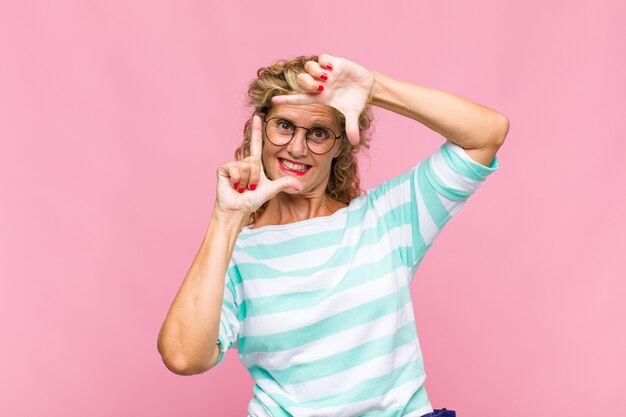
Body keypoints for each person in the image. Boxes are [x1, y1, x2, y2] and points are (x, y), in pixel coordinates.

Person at [157, 52, 509, 417]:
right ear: (259, 128)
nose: (296, 147)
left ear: (342, 143)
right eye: (284, 126)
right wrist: (227, 218)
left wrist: (374, 87)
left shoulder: (387, 218)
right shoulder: (234, 254)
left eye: (319, 133)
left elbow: (487, 133)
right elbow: (183, 357)